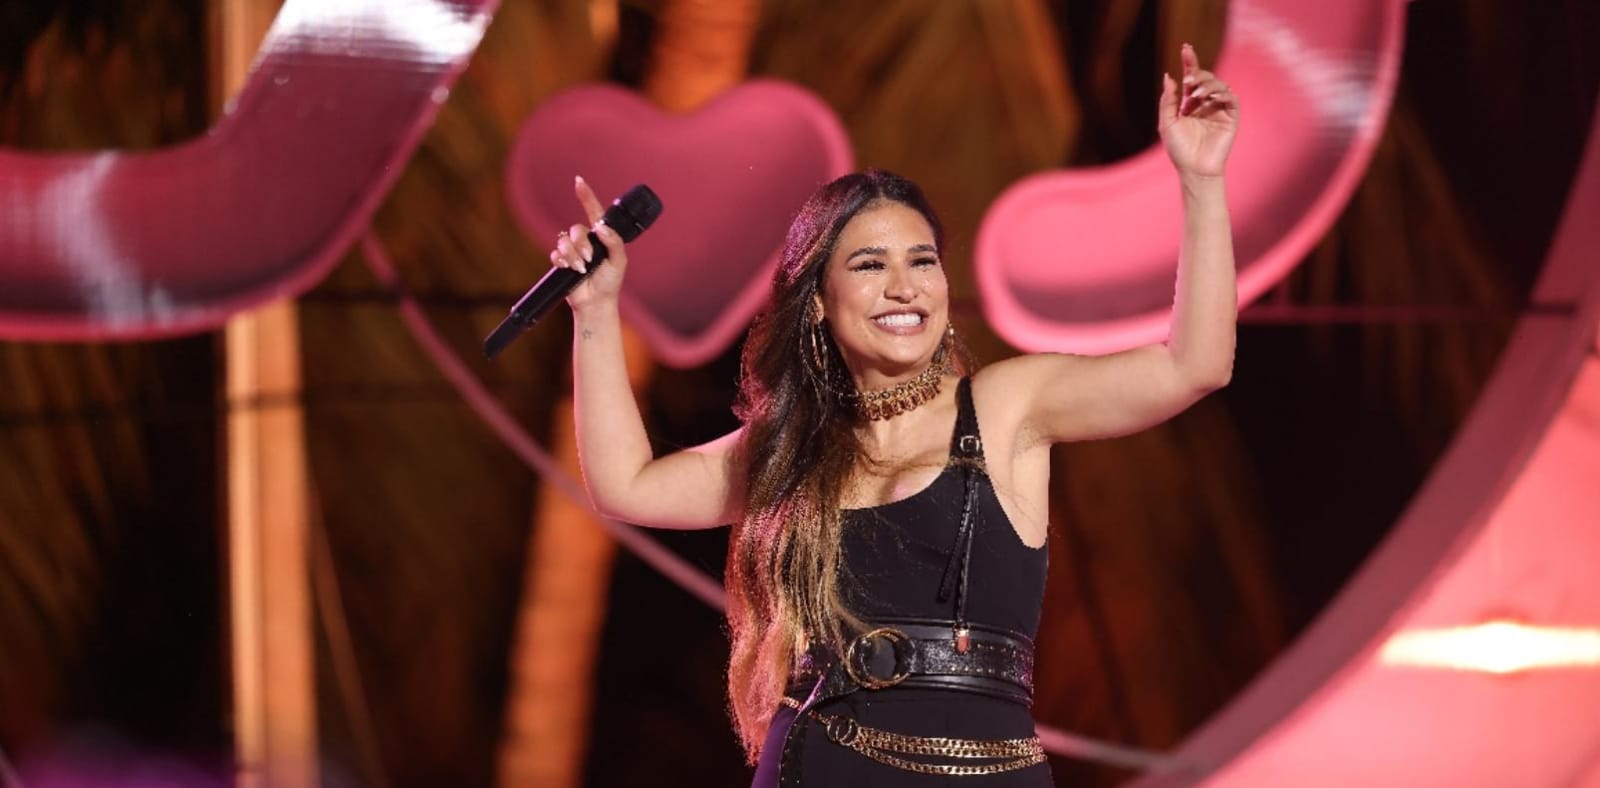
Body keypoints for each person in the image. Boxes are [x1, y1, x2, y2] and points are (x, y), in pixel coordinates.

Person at [549, 44, 1237, 786]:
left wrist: (1201, 182)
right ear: (819, 302)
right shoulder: (790, 451)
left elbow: (1193, 366)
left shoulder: (1006, 406)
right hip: (817, 764)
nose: (905, 287)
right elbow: (624, 484)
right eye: (870, 265)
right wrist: (596, 313)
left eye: (923, 261)